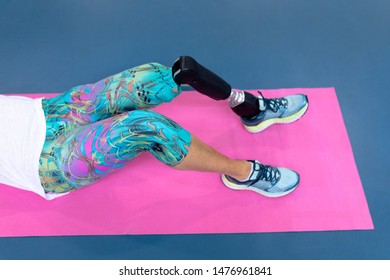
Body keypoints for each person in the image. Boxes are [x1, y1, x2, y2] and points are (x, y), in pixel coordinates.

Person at [0, 56, 308, 200]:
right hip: (45, 160)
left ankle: (251, 108)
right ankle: (243, 173)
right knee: (148, 128)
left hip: (48, 112)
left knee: (156, 77)